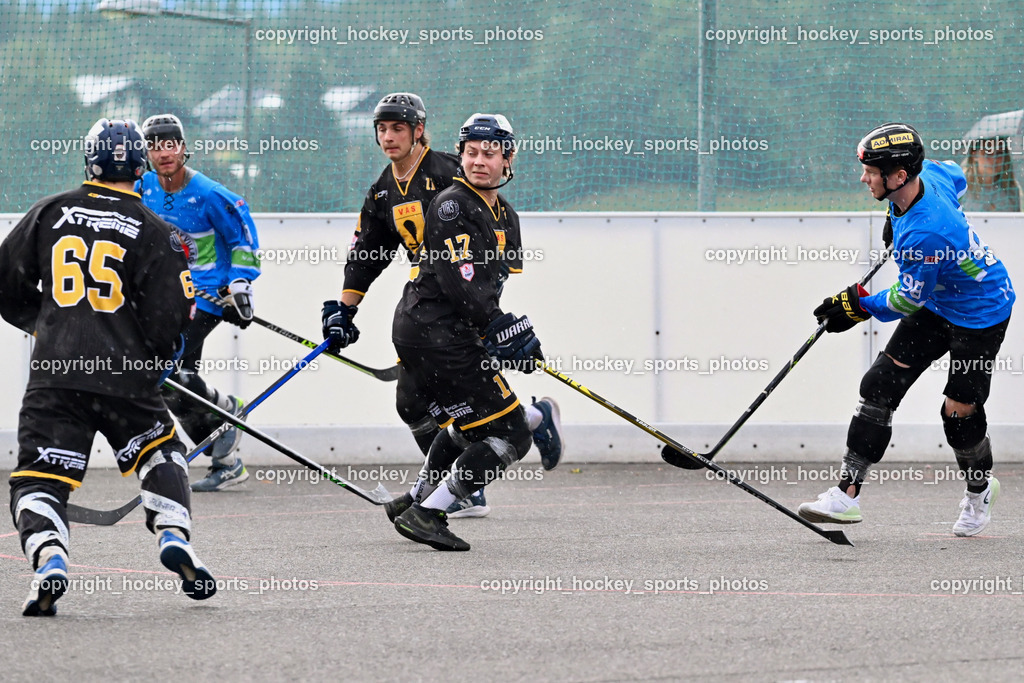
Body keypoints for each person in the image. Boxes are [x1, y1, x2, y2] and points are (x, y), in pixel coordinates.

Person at [0, 118, 216, 616]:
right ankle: (172, 533)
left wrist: (45, 326)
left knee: (38, 478)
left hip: (55, 376)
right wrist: (157, 362)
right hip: (125, 379)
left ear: (89, 162)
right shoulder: (154, 229)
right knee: (162, 451)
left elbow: (5, 285)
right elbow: (170, 321)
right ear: (139, 166)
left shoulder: (49, 212)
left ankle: (49, 556)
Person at [322, 94, 562, 519]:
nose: (388, 136)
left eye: (398, 127)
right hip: (429, 301)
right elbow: (367, 252)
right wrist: (344, 309)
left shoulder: (452, 173)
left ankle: (464, 485)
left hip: (457, 303)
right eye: (382, 128)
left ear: (419, 131)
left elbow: (483, 266)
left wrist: (488, 323)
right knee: (412, 405)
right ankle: (526, 423)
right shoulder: (383, 190)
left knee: (466, 405)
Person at [800, 122, 1015, 537]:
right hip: (940, 301)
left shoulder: (926, 232)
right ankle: (846, 496)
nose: (863, 178)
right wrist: (895, 213)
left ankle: (979, 491)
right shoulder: (930, 173)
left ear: (899, 176)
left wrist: (857, 306)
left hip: (981, 311)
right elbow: (957, 175)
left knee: (958, 413)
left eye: (872, 172)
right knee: (878, 385)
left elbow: (904, 300)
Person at [375, 112, 544, 551]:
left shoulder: (505, 213)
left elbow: (490, 286)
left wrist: (508, 334)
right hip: (437, 333)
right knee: (512, 433)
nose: (478, 161)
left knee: (467, 425)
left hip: (438, 331)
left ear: (509, 158)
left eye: (489, 153)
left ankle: (415, 500)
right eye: (470, 152)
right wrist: (496, 328)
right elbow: (461, 279)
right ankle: (429, 513)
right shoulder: (452, 204)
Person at [138, 114, 262, 492]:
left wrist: (239, 285)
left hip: (207, 299)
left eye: (170, 143)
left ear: (184, 146)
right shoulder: (143, 187)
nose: (164, 153)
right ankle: (226, 455)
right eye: (155, 145)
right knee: (173, 385)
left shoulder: (209, 194)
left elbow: (244, 240)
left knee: (163, 374)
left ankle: (226, 413)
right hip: (164, 299)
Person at [961, 137, 1021, 212]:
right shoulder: (961, 186)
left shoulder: (1012, 189)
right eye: (988, 153)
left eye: (999, 153)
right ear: (974, 155)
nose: (994, 159)